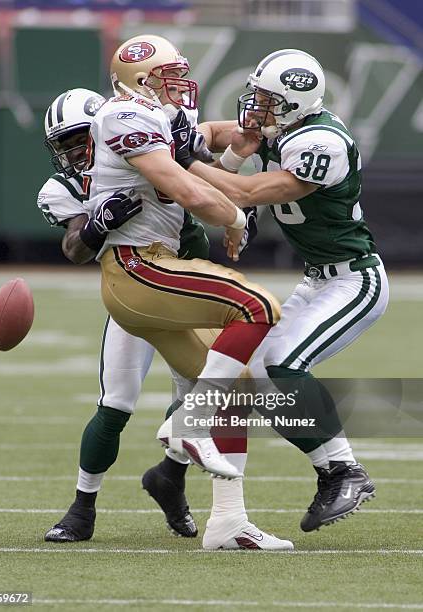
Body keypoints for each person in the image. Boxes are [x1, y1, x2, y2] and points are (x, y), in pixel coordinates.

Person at [38, 86, 293, 550]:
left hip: (180, 285)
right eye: (65, 145)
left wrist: (237, 157)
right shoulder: (65, 187)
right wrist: (97, 225)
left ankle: (171, 480)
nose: (75, 153)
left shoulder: (150, 154)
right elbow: (74, 248)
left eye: (80, 139)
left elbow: (202, 169)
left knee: (214, 391)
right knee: (115, 403)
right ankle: (82, 507)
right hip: (137, 291)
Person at [171, 49, 389, 532]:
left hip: (354, 279)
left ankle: (347, 471)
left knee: (286, 365)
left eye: (268, 100)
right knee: (260, 379)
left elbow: (247, 193)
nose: (256, 107)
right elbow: (208, 131)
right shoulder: (279, 126)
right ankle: (335, 470)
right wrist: (195, 139)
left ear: (295, 104)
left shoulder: (321, 143)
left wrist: (181, 159)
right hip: (315, 277)